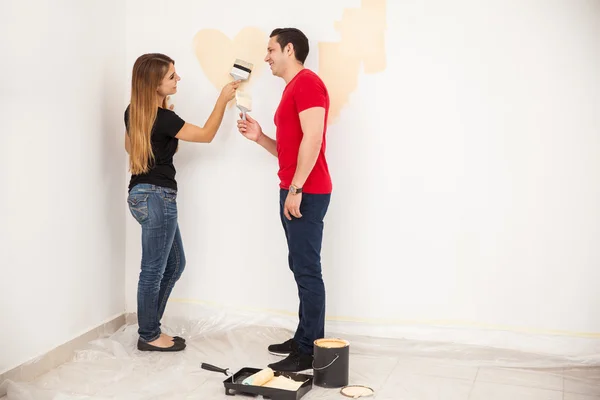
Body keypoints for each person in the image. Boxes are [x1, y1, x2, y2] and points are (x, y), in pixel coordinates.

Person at [125, 53, 240, 352]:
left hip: (140, 195)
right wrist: (222, 100)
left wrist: (162, 125)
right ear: (155, 84)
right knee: (152, 270)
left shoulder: (135, 112)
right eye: (172, 76)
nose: (179, 79)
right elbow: (206, 135)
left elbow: (131, 146)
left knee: (175, 264)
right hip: (158, 197)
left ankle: (151, 327)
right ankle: (149, 335)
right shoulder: (164, 119)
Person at [237, 28, 332, 371]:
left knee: (308, 270)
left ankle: (309, 350)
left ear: (289, 49)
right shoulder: (292, 88)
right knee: (299, 265)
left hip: (307, 190)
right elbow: (290, 152)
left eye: (271, 49)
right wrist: (261, 137)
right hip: (295, 186)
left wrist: (296, 189)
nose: (266, 57)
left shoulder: (307, 82)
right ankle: (303, 335)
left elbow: (314, 137)